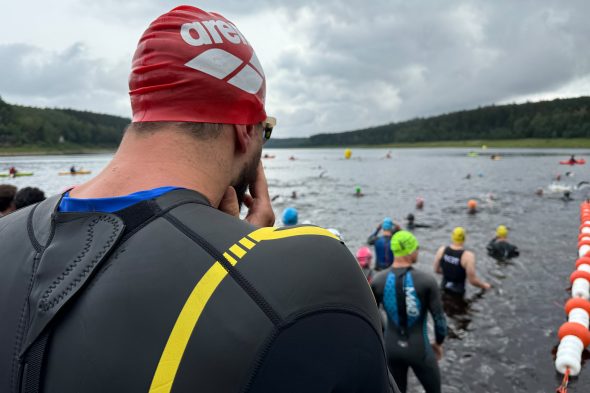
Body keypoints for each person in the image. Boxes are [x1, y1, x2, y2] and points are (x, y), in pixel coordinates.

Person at [0, 7, 397, 393]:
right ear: (246, 128)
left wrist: (235, 256)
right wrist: (250, 264)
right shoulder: (318, 270)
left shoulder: (7, 231)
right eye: (266, 130)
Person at [372, 231, 447, 393]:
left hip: (390, 347)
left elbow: (372, 317)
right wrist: (439, 344)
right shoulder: (427, 281)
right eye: (417, 248)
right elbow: (440, 321)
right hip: (420, 349)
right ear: (409, 251)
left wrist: (382, 339)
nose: (418, 251)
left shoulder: (378, 280)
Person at [434, 227, 491, 295]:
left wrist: (449, 272)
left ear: (452, 237)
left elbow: (436, 270)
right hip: (458, 293)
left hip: (443, 287)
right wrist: (484, 286)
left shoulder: (441, 250)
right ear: (464, 239)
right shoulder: (468, 256)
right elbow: (472, 281)